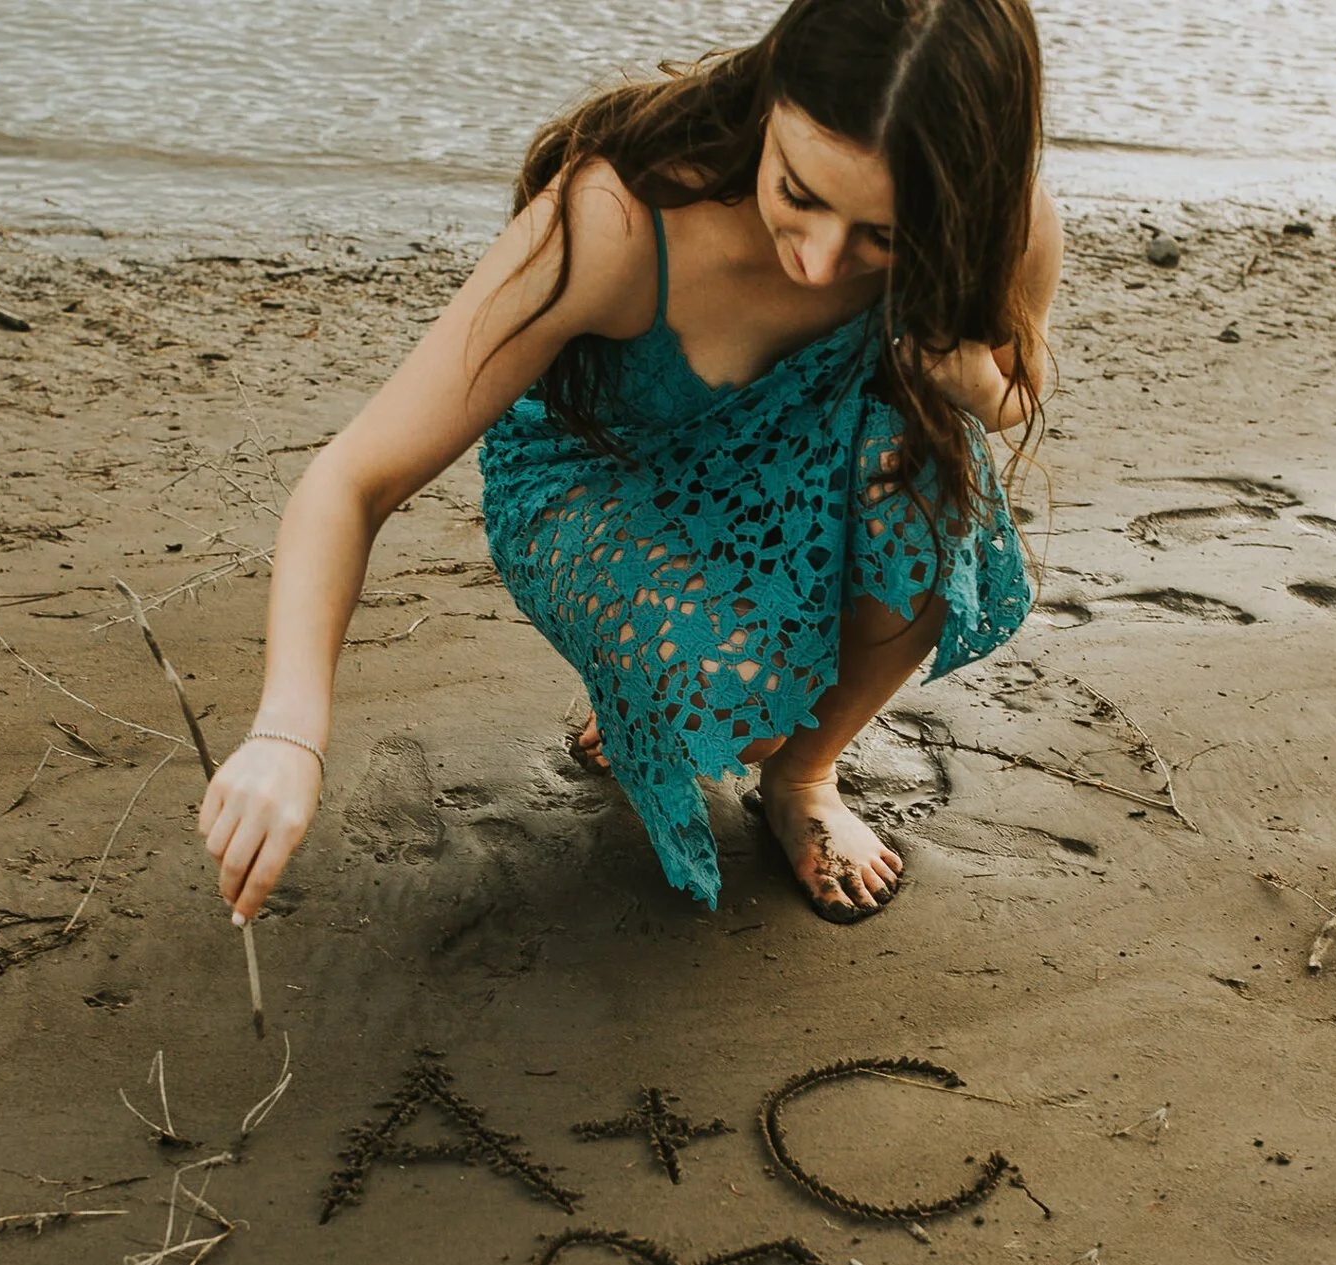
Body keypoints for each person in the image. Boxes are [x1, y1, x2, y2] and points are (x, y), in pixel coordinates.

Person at [201, 0, 1059, 926]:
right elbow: (354, 475)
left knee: (935, 490)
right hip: (599, 476)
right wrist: (288, 733)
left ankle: (804, 779)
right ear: (771, 101)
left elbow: (1011, 396)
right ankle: (652, 688)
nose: (819, 264)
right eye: (799, 195)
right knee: (747, 703)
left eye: (883, 237)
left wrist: (965, 373)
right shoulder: (616, 215)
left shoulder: (1006, 226)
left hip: (801, 465)